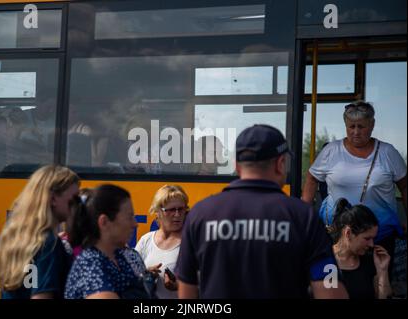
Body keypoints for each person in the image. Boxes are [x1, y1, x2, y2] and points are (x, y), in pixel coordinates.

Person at [176, 124, 348, 298]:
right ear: (280, 164)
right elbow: (330, 288)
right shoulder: (304, 217)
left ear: (237, 166)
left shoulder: (200, 214)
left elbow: (186, 289)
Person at [302, 101, 407, 262]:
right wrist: (305, 217)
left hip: (380, 233)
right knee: (340, 280)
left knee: (378, 280)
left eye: (361, 126)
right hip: (339, 233)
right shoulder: (331, 151)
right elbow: (311, 178)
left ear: (372, 125)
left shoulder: (388, 152)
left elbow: (405, 186)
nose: (356, 132)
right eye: (351, 127)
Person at [0, 165, 80, 299]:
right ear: (53, 199)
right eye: (74, 198)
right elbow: (40, 295)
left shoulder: (18, 238)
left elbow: (30, 286)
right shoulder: (48, 243)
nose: (78, 204)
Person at [64, 184, 152, 299]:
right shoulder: (89, 264)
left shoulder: (121, 258)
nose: (135, 224)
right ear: (104, 222)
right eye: (129, 217)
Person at [330, 198, 392, 299]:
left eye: (373, 238)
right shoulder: (323, 259)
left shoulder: (370, 260)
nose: (372, 244)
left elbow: (384, 296)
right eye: (367, 238)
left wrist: (382, 271)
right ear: (348, 233)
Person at [135, 185, 189, 299]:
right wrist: (145, 274)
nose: (177, 214)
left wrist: (180, 286)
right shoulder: (146, 240)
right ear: (158, 212)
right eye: (171, 210)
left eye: (181, 209)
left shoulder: (191, 242)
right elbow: (130, 277)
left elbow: (208, 282)